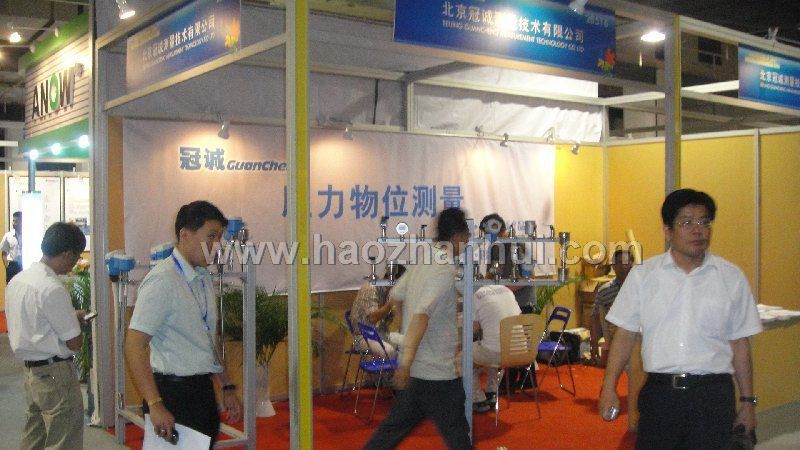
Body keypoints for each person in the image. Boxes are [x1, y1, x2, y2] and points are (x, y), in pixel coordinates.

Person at [599, 189, 763, 449]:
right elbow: (625, 335)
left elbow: (739, 344)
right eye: (687, 222)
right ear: (668, 231)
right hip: (660, 395)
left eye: (704, 222)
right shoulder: (644, 276)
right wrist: (609, 387)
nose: (698, 230)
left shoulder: (731, 277)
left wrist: (747, 402)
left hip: (712, 397)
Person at [125, 201, 242, 448]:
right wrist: (155, 404)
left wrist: (227, 385)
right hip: (172, 395)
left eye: (219, 237)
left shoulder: (202, 277)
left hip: (202, 392)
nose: (217, 245)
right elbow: (134, 345)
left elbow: (208, 338)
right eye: (211, 236)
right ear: (185, 234)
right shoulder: (162, 280)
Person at [363, 207, 472, 450]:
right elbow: (421, 316)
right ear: (457, 236)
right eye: (466, 237)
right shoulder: (443, 269)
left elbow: (397, 293)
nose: (467, 243)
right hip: (437, 374)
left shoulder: (425, 260)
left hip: (418, 375)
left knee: (388, 434)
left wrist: (381, 312)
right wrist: (405, 364)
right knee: (457, 437)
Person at [6, 222, 87, 449]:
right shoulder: (53, 288)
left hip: (31, 372)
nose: (75, 262)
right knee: (64, 439)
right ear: (67, 254)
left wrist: (69, 316)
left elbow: (35, 321)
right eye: (76, 256)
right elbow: (75, 343)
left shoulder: (18, 281)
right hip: (55, 374)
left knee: (34, 435)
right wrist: (76, 323)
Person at [470, 284, 521, 413]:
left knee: (463, 355)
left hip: (497, 353)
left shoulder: (477, 295)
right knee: (495, 345)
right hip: (520, 351)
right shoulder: (507, 291)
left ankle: (477, 399)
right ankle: (492, 392)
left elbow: (473, 329)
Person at [351, 264, 407, 359]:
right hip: (364, 337)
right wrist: (390, 304)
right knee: (390, 350)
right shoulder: (371, 288)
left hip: (380, 334)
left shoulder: (388, 292)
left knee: (409, 343)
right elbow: (372, 319)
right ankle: (387, 369)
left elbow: (389, 319)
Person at [589, 249, 633, 365]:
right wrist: (594, 344)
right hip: (615, 340)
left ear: (632, 264)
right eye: (619, 263)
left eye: (626, 262)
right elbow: (595, 318)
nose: (623, 266)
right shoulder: (604, 291)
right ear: (613, 266)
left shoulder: (642, 288)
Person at [2, 211, 22, 283]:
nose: (13, 223)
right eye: (13, 221)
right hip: (13, 266)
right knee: (11, 287)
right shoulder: (8, 236)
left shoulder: (29, 235)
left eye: (16, 221)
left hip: (25, 264)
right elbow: (4, 253)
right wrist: (7, 267)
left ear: (21, 222)